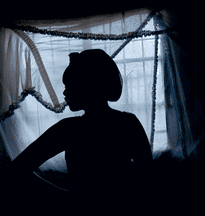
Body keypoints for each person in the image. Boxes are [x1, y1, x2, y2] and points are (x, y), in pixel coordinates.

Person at [8, 49, 153, 215]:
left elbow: (17, 169)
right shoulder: (128, 123)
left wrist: (65, 196)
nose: (64, 92)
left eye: (69, 86)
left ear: (87, 88)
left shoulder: (69, 129)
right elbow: (147, 179)